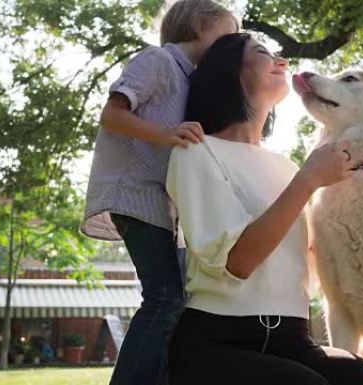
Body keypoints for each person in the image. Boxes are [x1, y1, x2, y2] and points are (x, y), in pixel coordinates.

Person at [166, 33, 363, 385]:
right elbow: (238, 262)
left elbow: (306, 267)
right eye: (262, 53)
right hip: (219, 340)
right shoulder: (196, 151)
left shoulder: (286, 166)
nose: (282, 62)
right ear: (230, 72)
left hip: (293, 338)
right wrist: (308, 181)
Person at [81, 1, 238, 384]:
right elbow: (112, 115)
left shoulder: (192, 81)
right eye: (228, 34)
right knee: (164, 297)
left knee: (180, 300)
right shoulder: (157, 61)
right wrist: (167, 135)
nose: (232, 45)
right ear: (200, 25)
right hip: (133, 195)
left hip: (164, 206)